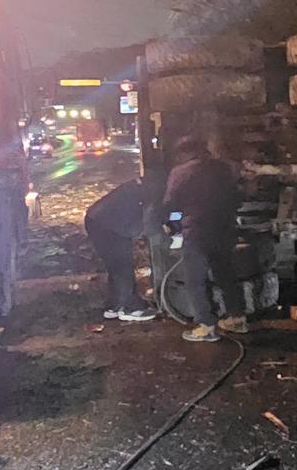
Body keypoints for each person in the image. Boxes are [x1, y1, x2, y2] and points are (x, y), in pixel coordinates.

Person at [163, 135, 246, 342]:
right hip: (224, 230)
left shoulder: (180, 172)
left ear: (183, 153)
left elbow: (171, 205)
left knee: (195, 281)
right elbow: (237, 197)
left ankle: (206, 325)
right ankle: (236, 318)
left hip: (197, 233)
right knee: (226, 275)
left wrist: (174, 233)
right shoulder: (224, 168)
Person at [84, 177, 155, 322]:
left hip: (95, 219)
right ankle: (131, 308)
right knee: (122, 266)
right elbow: (145, 224)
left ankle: (115, 305)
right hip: (111, 226)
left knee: (114, 266)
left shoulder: (140, 186)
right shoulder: (154, 194)